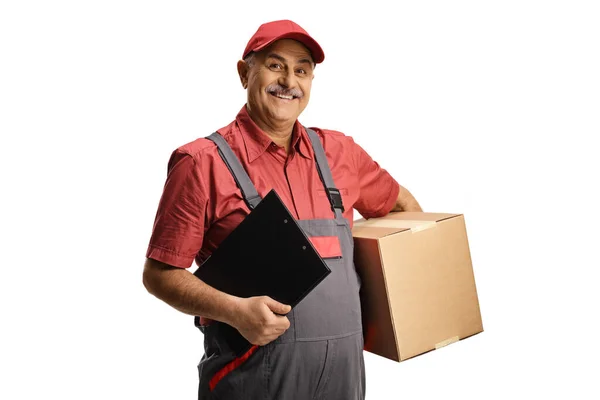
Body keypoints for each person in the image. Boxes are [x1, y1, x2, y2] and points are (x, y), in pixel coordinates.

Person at [143, 19, 422, 400]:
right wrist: (234, 311)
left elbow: (404, 207)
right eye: (276, 65)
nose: (289, 81)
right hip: (251, 377)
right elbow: (160, 274)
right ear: (245, 73)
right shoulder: (201, 162)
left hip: (344, 378)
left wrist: (405, 303)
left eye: (302, 70)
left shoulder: (341, 153)